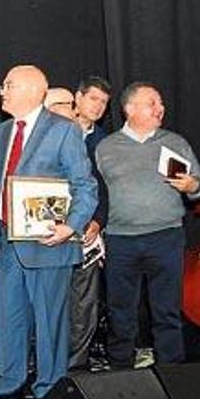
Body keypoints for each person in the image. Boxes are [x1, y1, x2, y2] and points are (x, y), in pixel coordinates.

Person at [0, 65, 97, 399]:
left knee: (49, 320)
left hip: (49, 242)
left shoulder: (63, 130)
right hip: (6, 240)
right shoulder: (0, 132)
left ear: (32, 90)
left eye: (8, 85)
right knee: (9, 315)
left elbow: (85, 186)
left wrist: (71, 227)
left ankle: (49, 386)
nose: (1, 91)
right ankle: (8, 380)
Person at [96, 83, 200, 371]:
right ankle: (121, 372)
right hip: (120, 240)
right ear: (129, 109)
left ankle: (172, 374)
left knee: (167, 311)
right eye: (152, 103)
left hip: (166, 237)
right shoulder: (105, 148)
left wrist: (192, 186)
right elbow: (94, 194)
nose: (161, 108)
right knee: (120, 312)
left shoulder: (176, 143)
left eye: (161, 103)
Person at [69, 76, 111, 369]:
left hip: (89, 232)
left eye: (104, 102)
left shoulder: (106, 142)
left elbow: (107, 187)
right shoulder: (54, 131)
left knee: (85, 302)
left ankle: (77, 364)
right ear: (78, 97)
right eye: (94, 98)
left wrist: (98, 220)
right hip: (54, 227)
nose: (98, 106)